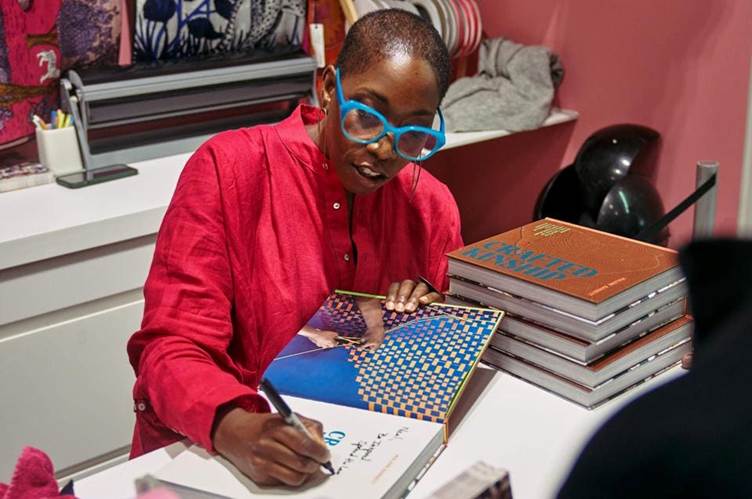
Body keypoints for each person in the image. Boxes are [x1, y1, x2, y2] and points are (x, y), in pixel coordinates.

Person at [127, 9, 461, 488]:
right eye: (366, 116)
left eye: (413, 134)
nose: (385, 151)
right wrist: (233, 427)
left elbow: (446, 356)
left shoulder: (430, 206)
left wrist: (432, 321)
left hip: (371, 462)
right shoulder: (229, 170)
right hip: (218, 460)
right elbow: (171, 349)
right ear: (327, 88)